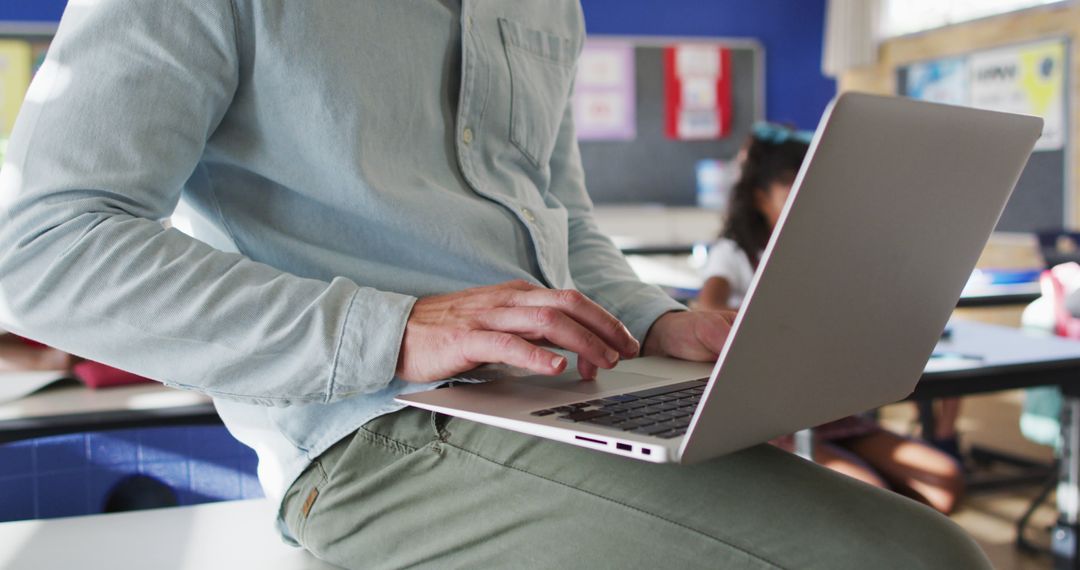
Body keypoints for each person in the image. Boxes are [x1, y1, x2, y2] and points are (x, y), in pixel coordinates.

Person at [0, 2, 989, 568]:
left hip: (575, 400)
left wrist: (656, 318)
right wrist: (392, 328)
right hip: (371, 437)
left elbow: (564, 224)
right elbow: (43, 249)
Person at [698, 123, 965, 514]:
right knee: (870, 496)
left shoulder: (823, 250)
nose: (805, 197)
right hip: (771, 415)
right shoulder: (735, 253)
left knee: (946, 484)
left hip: (831, 409)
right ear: (759, 197)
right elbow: (705, 308)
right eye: (792, 187)